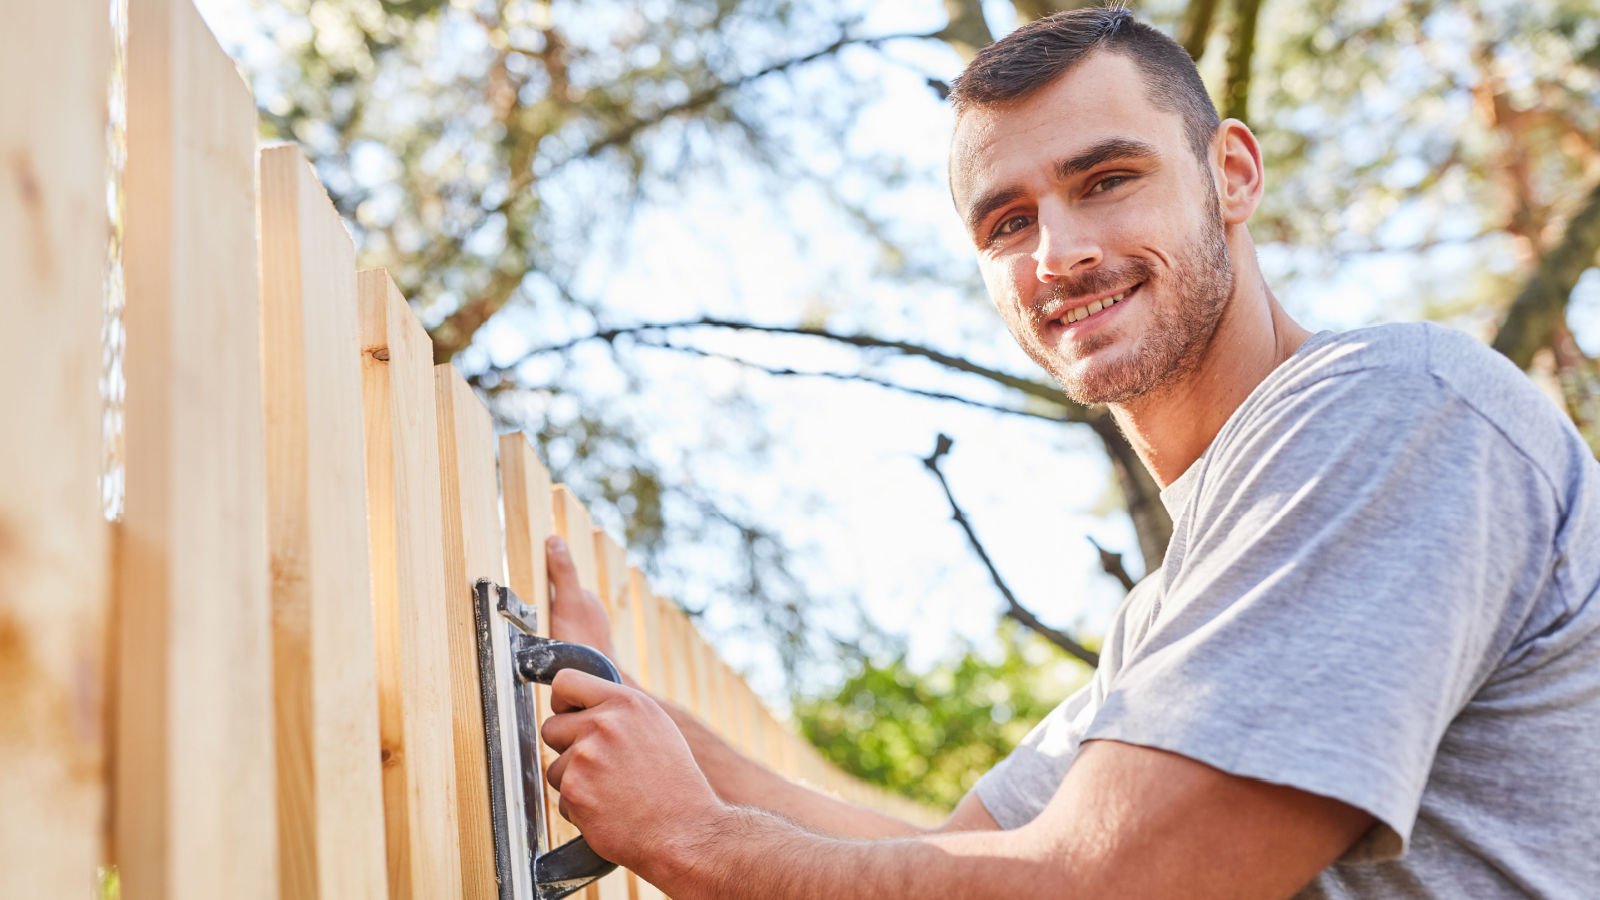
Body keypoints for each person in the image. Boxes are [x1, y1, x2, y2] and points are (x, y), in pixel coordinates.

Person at [535, 6, 1600, 898]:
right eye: (1005, 222)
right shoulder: (1184, 603)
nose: (1058, 252)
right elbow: (936, 855)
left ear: (1230, 174)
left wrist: (688, 841)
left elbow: (1111, 883)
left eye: (1106, 179)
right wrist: (629, 714)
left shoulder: (1394, 409)